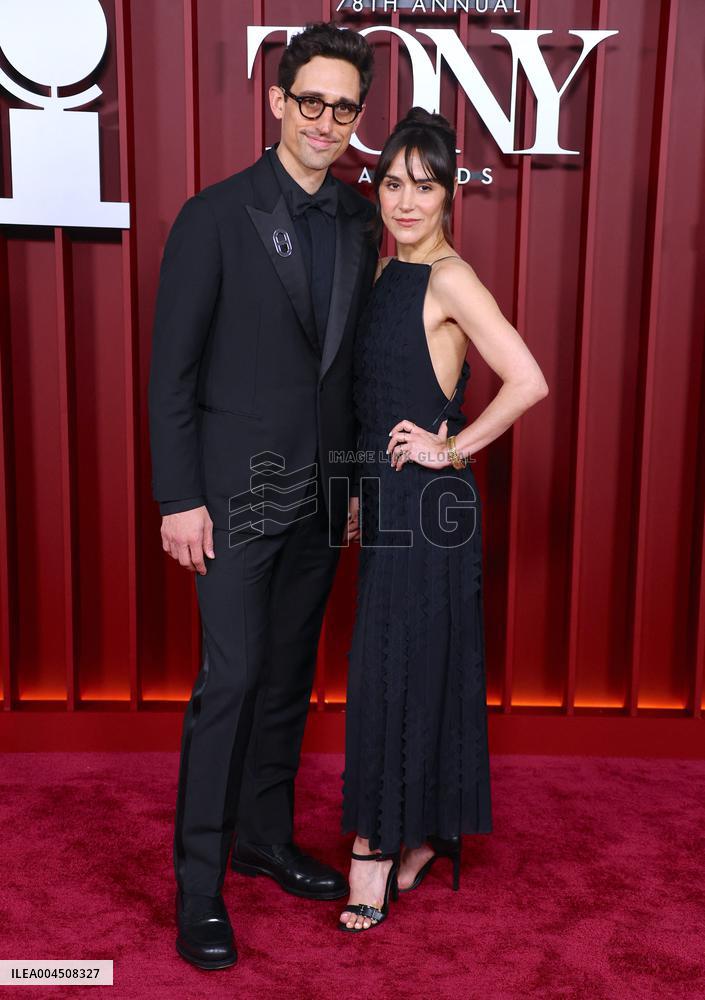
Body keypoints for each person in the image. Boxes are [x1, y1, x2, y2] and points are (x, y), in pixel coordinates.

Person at [148, 22, 376, 969]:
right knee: (232, 681)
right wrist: (178, 499)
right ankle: (200, 886)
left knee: (286, 678)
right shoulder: (213, 215)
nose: (325, 120)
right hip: (231, 498)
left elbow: (351, 369)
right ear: (278, 101)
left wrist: (351, 481)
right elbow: (171, 371)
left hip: (321, 494)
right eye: (310, 100)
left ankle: (263, 841)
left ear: (356, 119)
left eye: (343, 107)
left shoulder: (360, 218)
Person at [338, 107, 549, 932]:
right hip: (388, 501)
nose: (405, 202)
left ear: (448, 194)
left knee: (392, 673)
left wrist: (451, 447)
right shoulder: (382, 272)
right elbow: (372, 400)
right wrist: (358, 493)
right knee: (404, 670)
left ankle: (373, 850)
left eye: (423, 188)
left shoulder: (449, 277)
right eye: (393, 184)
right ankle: (421, 835)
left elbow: (527, 380)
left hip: (431, 511)